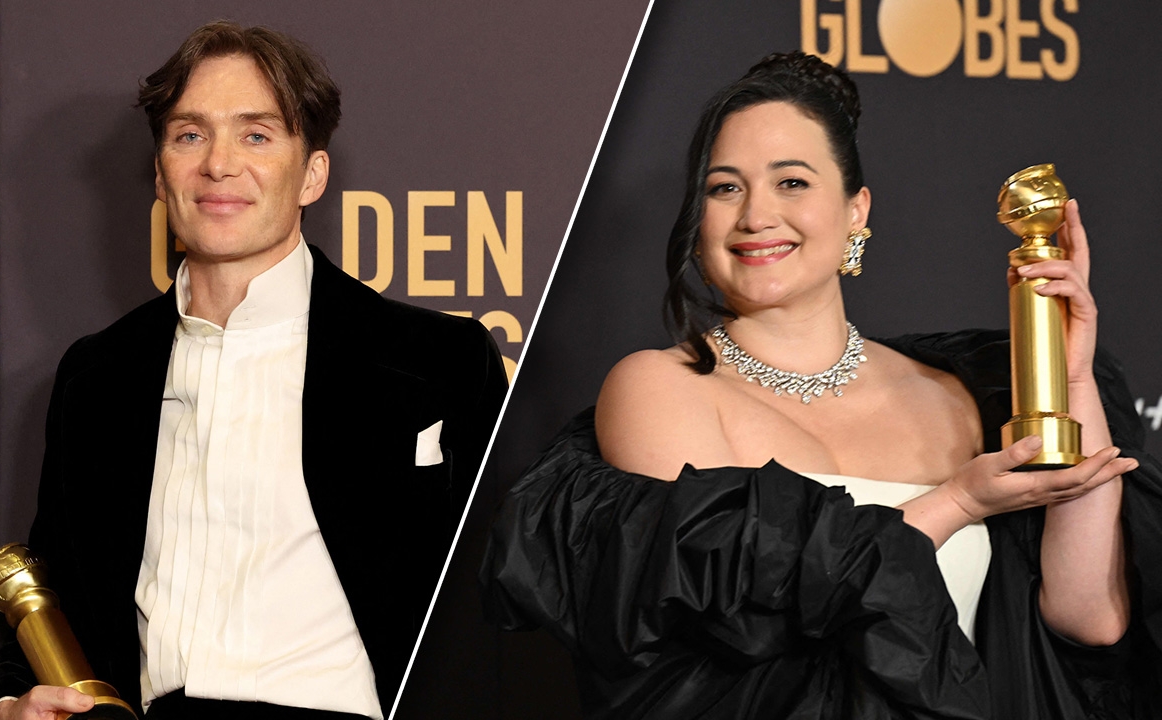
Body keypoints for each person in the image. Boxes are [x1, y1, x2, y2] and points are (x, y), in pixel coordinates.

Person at [482, 52, 1162, 718]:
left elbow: (1090, 619)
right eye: (725, 188)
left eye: (792, 182)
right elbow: (742, 624)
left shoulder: (956, 396)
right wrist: (956, 503)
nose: (755, 215)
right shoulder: (660, 389)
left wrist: (1070, 373)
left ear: (856, 210)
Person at [0, 20, 508, 720]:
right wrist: (10, 704)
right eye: (190, 135)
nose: (219, 164)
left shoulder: (438, 362)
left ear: (313, 174)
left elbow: (499, 610)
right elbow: (54, 592)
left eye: (256, 135)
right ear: (160, 172)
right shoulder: (97, 377)